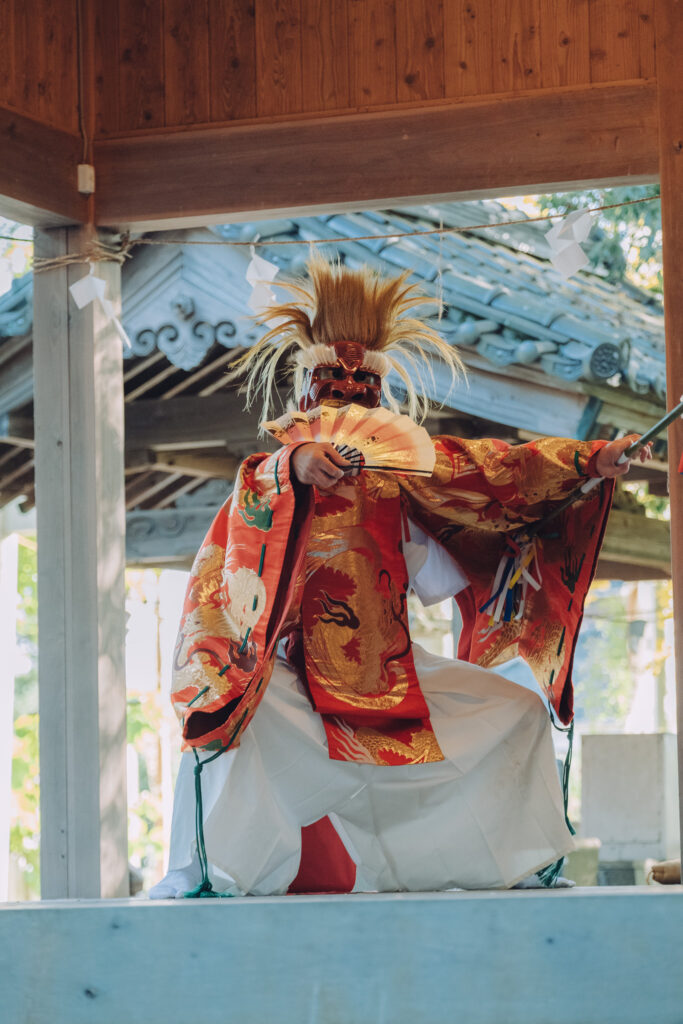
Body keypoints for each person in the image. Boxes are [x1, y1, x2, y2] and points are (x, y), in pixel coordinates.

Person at [150, 257, 650, 898]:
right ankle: (207, 876)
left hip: (388, 669)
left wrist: (590, 460)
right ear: (306, 392)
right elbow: (254, 507)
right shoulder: (272, 473)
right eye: (332, 382)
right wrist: (298, 464)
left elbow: (494, 470)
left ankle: (511, 863)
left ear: (378, 400)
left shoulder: (404, 470)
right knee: (229, 718)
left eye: (360, 388)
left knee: (516, 711)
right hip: (293, 675)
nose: (346, 395)